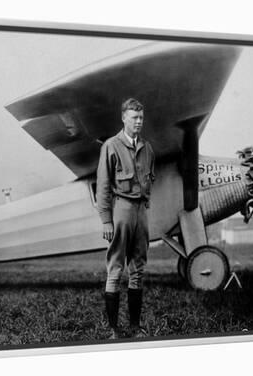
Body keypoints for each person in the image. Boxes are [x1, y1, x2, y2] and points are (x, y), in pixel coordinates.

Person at [96, 98, 155, 339]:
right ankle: (113, 330)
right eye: (134, 118)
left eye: (141, 118)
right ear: (124, 118)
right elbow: (103, 185)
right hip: (121, 210)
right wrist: (106, 220)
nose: (139, 122)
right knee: (116, 269)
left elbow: (150, 180)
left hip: (141, 211)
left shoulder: (147, 148)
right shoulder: (111, 146)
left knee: (138, 268)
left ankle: (134, 326)